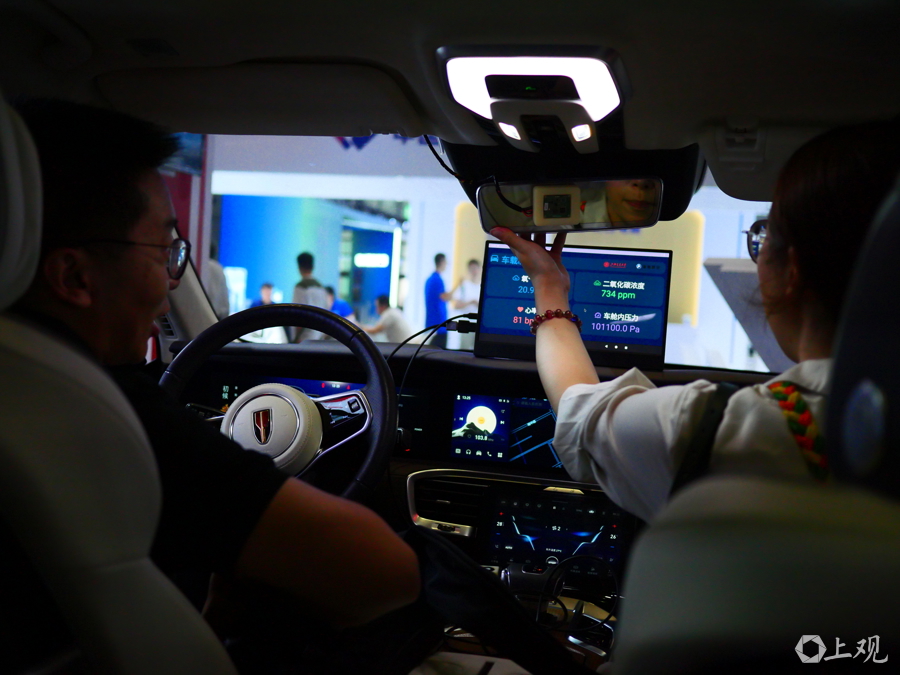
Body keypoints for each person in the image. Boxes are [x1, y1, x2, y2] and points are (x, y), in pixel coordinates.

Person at [5, 98, 420, 665]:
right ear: (74, 276)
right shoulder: (104, 413)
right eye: (164, 251)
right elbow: (386, 574)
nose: (171, 281)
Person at [491, 121, 900, 523]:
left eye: (764, 235)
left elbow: (579, 411)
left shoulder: (714, 431)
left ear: (791, 270)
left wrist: (548, 286)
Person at [291, 251, 330, 341]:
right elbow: (326, 310)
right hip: (319, 336)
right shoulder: (321, 287)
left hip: (304, 338)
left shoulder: (300, 287)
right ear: (313, 267)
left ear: (299, 268)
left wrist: (296, 338)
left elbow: (297, 314)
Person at [424, 253, 456, 348]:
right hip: (439, 325)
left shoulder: (430, 279)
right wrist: (458, 284)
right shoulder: (437, 280)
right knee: (439, 351)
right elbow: (445, 297)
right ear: (442, 262)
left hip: (433, 324)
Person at [452, 259, 482, 350]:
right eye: (471, 269)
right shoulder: (464, 285)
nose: (474, 271)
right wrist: (470, 302)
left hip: (480, 324)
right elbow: (456, 305)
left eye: (475, 268)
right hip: (466, 323)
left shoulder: (482, 286)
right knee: (464, 350)